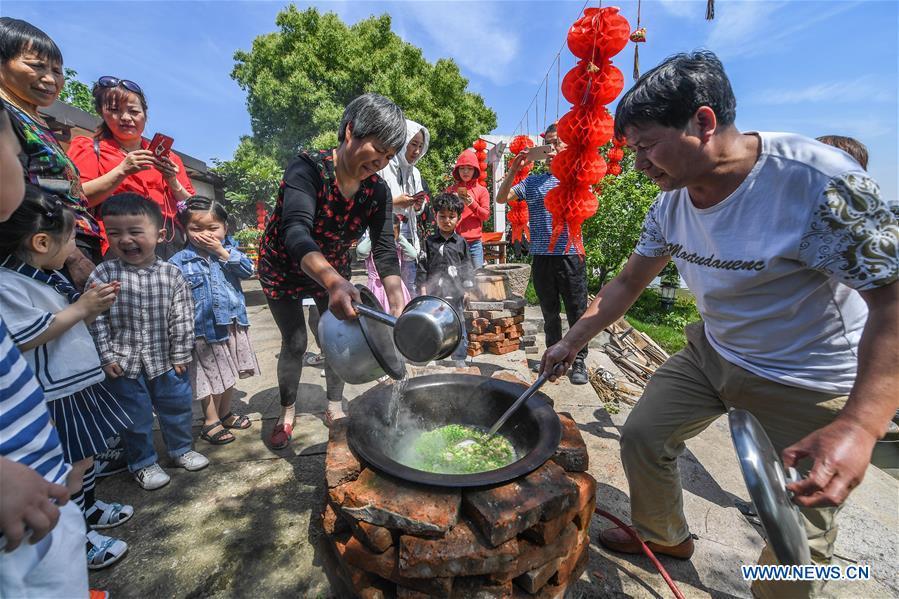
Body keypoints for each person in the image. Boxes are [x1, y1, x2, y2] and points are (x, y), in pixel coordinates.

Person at [539, 51, 899, 599]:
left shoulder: (818, 183)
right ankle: (665, 538)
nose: (638, 165)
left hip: (806, 375)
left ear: (703, 123)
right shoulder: (670, 203)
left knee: (796, 526)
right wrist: (571, 340)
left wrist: (861, 426)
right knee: (643, 435)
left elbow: (893, 301)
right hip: (713, 351)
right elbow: (627, 283)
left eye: (646, 146)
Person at [257, 93, 407, 447]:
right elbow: (296, 232)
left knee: (335, 337)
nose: (381, 162)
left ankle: (333, 405)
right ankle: (286, 409)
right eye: (379, 150)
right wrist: (334, 282)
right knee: (294, 341)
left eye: (388, 156)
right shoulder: (307, 169)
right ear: (351, 130)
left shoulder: (377, 191)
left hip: (333, 271)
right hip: (284, 265)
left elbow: (385, 250)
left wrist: (398, 298)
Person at [0, 185, 136, 569]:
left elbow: (64, 325)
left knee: (87, 460)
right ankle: (77, 538)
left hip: (78, 384)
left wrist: (90, 309)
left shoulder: (44, 275)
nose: (75, 246)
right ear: (42, 242)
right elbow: (27, 336)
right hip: (57, 395)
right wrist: (81, 309)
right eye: (72, 238)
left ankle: (87, 509)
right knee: (72, 466)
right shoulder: (9, 284)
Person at [0, 100, 91, 599]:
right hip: (15, 519)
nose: (24, 163)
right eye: (16, 153)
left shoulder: (42, 274)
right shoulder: (11, 284)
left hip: (38, 479)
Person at [87, 193, 208, 490]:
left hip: (167, 360)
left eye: (135, 232)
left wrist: (181, 354)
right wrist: (106, 356)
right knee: (134, 417)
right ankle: (142, 462)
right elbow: (95, 318)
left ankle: (181, 449)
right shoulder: (103, 273)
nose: (125, 240)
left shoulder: (172, 274)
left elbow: (182, 316)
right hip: (123, 362)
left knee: (178, 408)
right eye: (114, 233)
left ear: (160, 234)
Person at [0, 17, 101, 289]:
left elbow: (46, 182)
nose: (51, 79)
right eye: (36, 66)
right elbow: (24, 194)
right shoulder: (5, 117)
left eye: (57, 71)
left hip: (66, 244)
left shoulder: (32, 118)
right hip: (45, 251)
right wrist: (71, 256)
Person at [495, 123, 589, 385]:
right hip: (541, 255)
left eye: (558, 142)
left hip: (571, 253)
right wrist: (514, 167)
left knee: (576, 311)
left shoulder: (574, 177)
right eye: (548, 142)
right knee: (549, 312)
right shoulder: (532, 181)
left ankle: (579, 360)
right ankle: (555, 359)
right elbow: (501, 199)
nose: (552, 148)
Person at [67, 76, 195, 259]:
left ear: (145, 114)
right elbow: (75, 197)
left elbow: (194, 209)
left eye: (134, 111)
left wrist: (173, 182)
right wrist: (122, 170)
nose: (126, 118)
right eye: (114, 110)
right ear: (101, 112)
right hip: (121, 245)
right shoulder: (89, 147)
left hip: (171, 243)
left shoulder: (170, 157)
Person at [169, 195, 260, 446]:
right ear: (184, 230)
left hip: (231, 323)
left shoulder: (229, 253)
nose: (205, 234)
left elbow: (248, 270)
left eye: (213, 228)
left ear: (225, 228)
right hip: (202, 330)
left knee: (229, 372)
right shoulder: (178, 263)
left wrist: (222, 251)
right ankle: (210, 421)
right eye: (196, 229)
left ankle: (225, 413)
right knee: (208, 376)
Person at [416, 193, 475, 366]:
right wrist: (423, 290)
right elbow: (422, 266)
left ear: (459, 218)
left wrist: (468, 290)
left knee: (458, 326)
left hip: (455, 294)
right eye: (442, 216)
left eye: (451, 216)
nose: (447, 220)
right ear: (436, 216)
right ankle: (432, 356)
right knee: (431, 325)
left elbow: (467, 267)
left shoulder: (461, 243)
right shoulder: (429, 242)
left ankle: (459, 357)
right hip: (434, 295)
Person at [379, 119, 431, 291]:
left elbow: (416, 211)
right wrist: (395, 202)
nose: (416, 151)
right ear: (402, 142)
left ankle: (408, 318)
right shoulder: (384, 166)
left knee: (409, 286)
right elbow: (371, 202)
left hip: (408, 237)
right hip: (386, 236)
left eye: (420, 146)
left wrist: (417, 205)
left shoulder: (415, 172)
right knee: (388, 287)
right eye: (413, 144)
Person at [356, 216, 414, 311]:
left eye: (392, 234)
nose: (388, 237)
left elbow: (413, 254)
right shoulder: (371, 248)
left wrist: (399, 237)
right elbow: (361, 251)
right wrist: (374, 235)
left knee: (397, 312)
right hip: (376, 289)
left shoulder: (398, 247)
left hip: (395, 287)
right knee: (377, 316)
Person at [445, 149, 490, 269]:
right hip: (454, 241)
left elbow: (485, 215)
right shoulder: (451, 190)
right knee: (455, 279)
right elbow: (441, 216)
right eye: (462, 168)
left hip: (475, 243)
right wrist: (451, 204)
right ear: (457, 170)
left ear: (475, 170)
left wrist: (472, 204)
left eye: (469, 168)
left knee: (478, 278)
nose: (465, 171)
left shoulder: (482, 190)